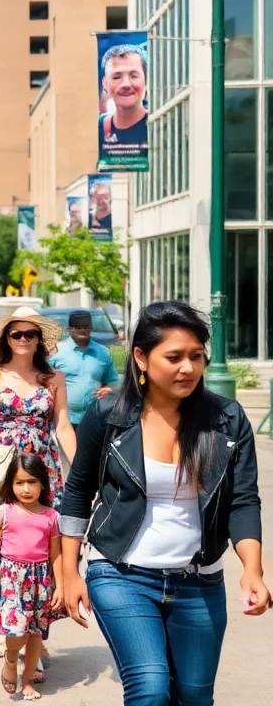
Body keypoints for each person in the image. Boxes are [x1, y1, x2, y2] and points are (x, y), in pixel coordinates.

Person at [61, 301, 269, 705]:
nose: (187, 368)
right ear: (141, 356)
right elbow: (77, 492)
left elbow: (243, 500)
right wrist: (69, 572)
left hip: (200, 581)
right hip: (121, 574)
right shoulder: (109, 416)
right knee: (151, 689)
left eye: (196, 356)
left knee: (194, 698)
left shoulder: (227, 419)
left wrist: (253, 570)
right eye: (173, 357)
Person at [0, 306, 73, 660]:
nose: (24, 340)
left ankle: (36, 630)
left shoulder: (53, 377)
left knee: (43, 549)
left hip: (44, 472)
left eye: (31, 334)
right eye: (17, 334)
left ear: (40, 339)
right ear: (6, 338)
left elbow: (63, 426)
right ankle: (6, 623)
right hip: (1, 474)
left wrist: (82, 467)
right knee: (4, 548)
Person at [0, 454, 64, 701]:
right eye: (19, 482)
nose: (26, 489)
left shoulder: (51, 516)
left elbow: (56, 556)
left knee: (35, 632)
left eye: (32, 482)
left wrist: (60, 587)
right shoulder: (4, 511)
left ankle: (27, 682)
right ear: (10, 485)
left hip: (40, 581)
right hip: (12, 580)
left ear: (43, 484)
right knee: (17, 631)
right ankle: (11, 657)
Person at [48, 309, 119, 430]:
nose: (82, 330)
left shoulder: (103, 353)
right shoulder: (56, 353)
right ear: (70, 328)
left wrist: (109, 390)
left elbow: (113, 381)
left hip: (94, 419)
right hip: (63, 420)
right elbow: (42, 380)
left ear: (91, 328)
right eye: (78, 327)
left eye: (86, 327)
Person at [98, 43, 147, 148]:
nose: (126, 84)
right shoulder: (96, 129)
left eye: (134, 76)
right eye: (117, 77)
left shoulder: (161, 125)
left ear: (146, 81)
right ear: (105, 84)